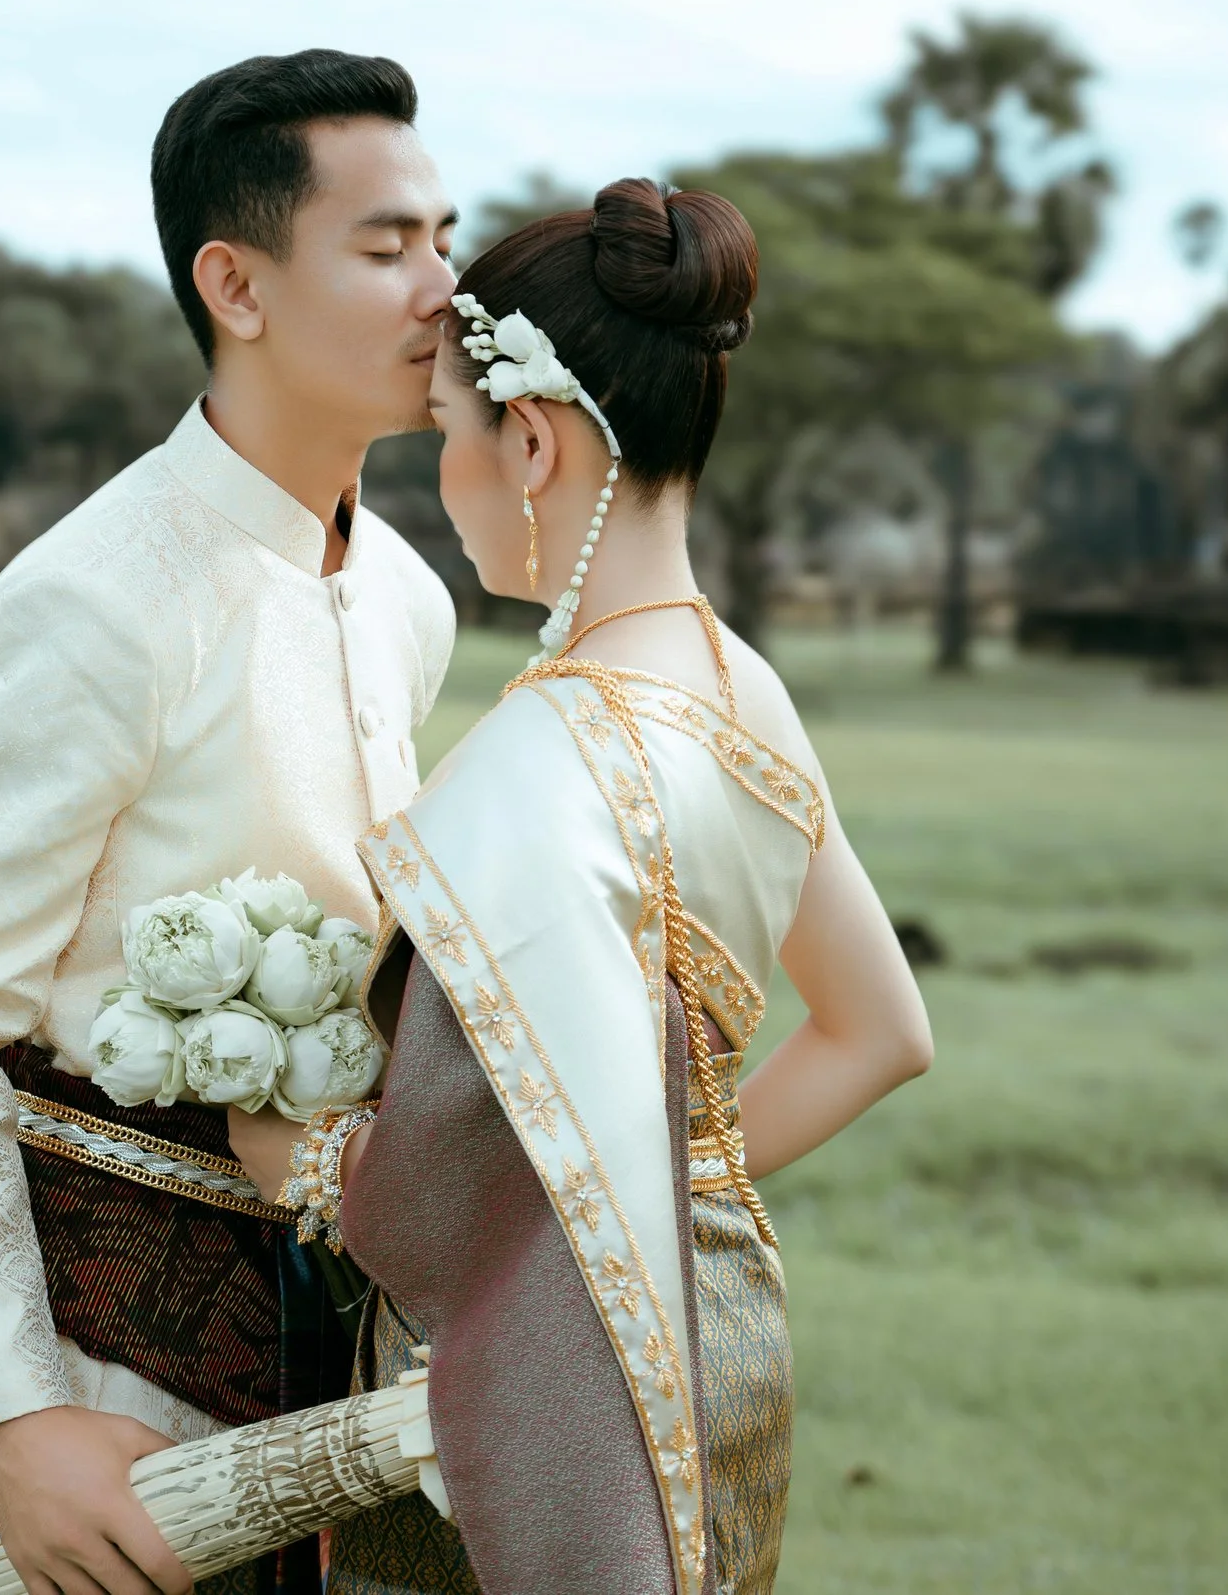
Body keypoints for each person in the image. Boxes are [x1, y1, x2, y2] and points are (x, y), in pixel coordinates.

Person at [227, 179, 936, 1593]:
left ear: (534, 437)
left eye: (448, 432)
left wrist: (282, 1152)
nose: (442, 476)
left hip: (535, 1391)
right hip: (716, 1326)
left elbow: (431, 1196)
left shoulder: (548, 755)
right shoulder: (747, 692)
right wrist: (641, 1191)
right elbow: (881, 1033)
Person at [0, 50, 458, 1595]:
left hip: (352, 1358)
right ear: (235, 285)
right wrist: (16, 1417)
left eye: (445, 238)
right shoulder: (92, 601)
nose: (439, 287)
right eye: (386, 248)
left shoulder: (407, 597)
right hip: (107, 1358)